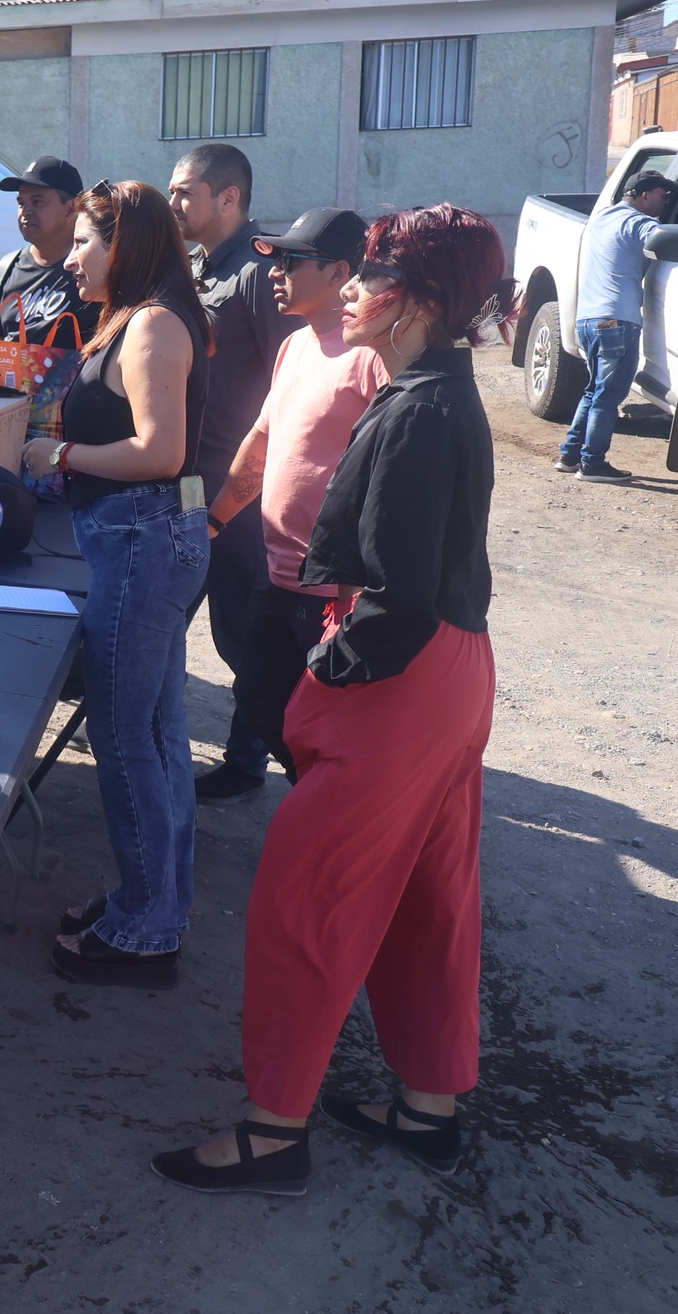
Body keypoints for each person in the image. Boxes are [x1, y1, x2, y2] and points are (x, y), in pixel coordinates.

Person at [153, 206, 505, 1196]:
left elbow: (393, 600)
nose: (349, 286)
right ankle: (426, 1105)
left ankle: (273, 1132)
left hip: (401, 677)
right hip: (447, 669)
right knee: (427, 900)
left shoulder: (417, 408)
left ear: (416, 299)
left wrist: (325, 671)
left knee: (304, 900)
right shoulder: (434, 390)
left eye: (370, 274)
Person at [21, 180, 211, 988]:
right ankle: (156, 901)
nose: (71, 259)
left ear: (123, 245)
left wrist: (59, 455)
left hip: (143, 537)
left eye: (84, 243)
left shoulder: (155, 324)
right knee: (157, 732)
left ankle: (146, 927)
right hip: (146, 535)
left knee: (127, 734)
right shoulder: (141, 315)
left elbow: (161, 452)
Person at [202, 208, 387, 780]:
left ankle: (328, 809)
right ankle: (315, 794)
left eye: (291, 260)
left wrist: (360, 590)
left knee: (328, 720)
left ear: (339, 273)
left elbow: (391, 475)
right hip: (277, 572)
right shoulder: (294, 347)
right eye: (275, 259)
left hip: (332, 588)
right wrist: (213, 521)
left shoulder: (372, 358)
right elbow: (261, 443)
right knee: (259, 697)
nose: (275, 271)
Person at [167, 143, 289, 805]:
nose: (174, 203)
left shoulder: (257, 273)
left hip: (239, 485)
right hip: (193, 476)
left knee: (242, 629)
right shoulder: (198, 265)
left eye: (185, 192)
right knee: (171, 603)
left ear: (229, 198)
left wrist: (252, 483)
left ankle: (251, 759)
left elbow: (284, 385)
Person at [557, 167, 672, 483]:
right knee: (608, 396)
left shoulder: (602, 218)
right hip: (617, 322)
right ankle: (592, 464)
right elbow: (661, 239)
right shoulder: (639, 223)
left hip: (588, 321)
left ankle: (570, 455)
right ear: (644, 196)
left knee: (594, 391)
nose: (666, 202)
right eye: (663, 196)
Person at [0, 154, 99, 346]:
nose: (26, 211)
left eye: (37, 202)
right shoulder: (6, 269)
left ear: (72, 207)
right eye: (21, 203)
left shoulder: (93, 269)